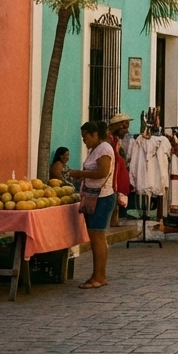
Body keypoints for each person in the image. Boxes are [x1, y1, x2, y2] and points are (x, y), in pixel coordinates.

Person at [66, 121, 115, 289]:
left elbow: (103, 172)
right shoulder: (94, 150)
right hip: (93, 196)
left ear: (94, 134)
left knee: (98, 237)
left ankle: (99, 276)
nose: (84, 140)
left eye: (85, 136)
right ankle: (97, 275)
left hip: (102, 198)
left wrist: (80, 173)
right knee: (95, 238)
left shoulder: (104, 149)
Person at [107, 114, 133, 226]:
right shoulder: (108, 139)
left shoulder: (115, 139)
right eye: (124, 127)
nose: (126, 131)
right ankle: (112, 220)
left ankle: (114, 220)